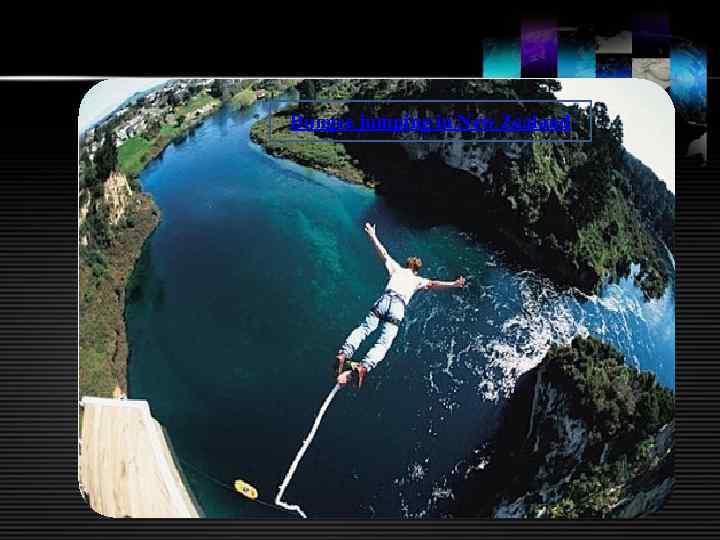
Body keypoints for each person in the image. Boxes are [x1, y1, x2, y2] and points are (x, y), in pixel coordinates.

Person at [335, 223, 466, 388]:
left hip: (385, 299)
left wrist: (372, 235)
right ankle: (364, 366)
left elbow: (382, 252)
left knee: (364, 329)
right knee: (383, 343)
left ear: (407, 264)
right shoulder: (418, 280)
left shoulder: (396, 269)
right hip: (398, 307)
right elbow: (434, 284)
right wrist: (454, 284)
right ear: (417, 270)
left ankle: (344, 354)